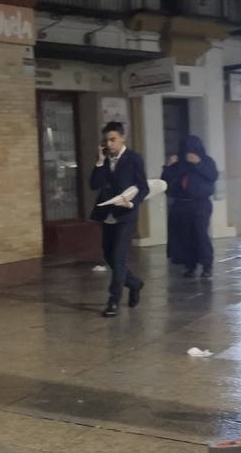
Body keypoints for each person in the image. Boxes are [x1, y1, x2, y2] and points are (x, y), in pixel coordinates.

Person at [89, 121, 149, 318]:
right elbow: (94, 185)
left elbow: (144, 187)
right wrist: (99, 162)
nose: (109, 143)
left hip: (126, 215)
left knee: (119, 257)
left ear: (123, 138)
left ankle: (113, 301)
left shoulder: (133, 159)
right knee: (108, 256)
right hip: (108, 215)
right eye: (106, 140)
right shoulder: (104, 159)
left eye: (113, 139)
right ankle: (134, 283)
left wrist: (132, 203)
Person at [162, 134, 218, 279]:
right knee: (185, 236)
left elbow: (212, 175)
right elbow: (165, 181)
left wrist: (198, 163)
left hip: (200, 203)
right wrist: (168, 166)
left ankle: (207, 265)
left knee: (200, 234)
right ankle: (190, 265)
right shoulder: (178, 164)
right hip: (181, 204)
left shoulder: (206, 161)